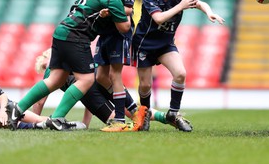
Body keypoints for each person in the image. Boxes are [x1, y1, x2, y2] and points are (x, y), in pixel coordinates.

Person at [6, 0, 139, 131]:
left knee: (56, 79)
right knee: (87, 79)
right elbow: (124, 28)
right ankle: (57, 118)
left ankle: (16, 109)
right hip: (77, 37)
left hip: (62, 30)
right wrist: (118, 13)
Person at [132, 0, 225, 132]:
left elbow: (199, 3)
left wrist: (209, 12)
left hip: (165, 45)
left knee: (180, 74)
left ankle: (173, 113)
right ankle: (144, 114)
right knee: (145, 86)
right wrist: (180, 6)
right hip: (144, 45)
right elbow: (159, 18)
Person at [33, 48, 191, 131]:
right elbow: (85, 90)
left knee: (115, 119)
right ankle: (167, 117)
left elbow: (40, 102)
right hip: (101, 76)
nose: (46, 68)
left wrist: (34, 121)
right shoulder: (74, 59)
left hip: (90, 90)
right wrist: (85, 123)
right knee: (133, 111)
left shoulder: (53, 68)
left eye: (44, 64)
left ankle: (148, 121)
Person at [87, 0, 148, 132]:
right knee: (101, 77)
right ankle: (135, 110)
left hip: (118, 33)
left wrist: (111, 10)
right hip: (105, 32)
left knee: (115, 75)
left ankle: (120, 121)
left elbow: (128, 9)